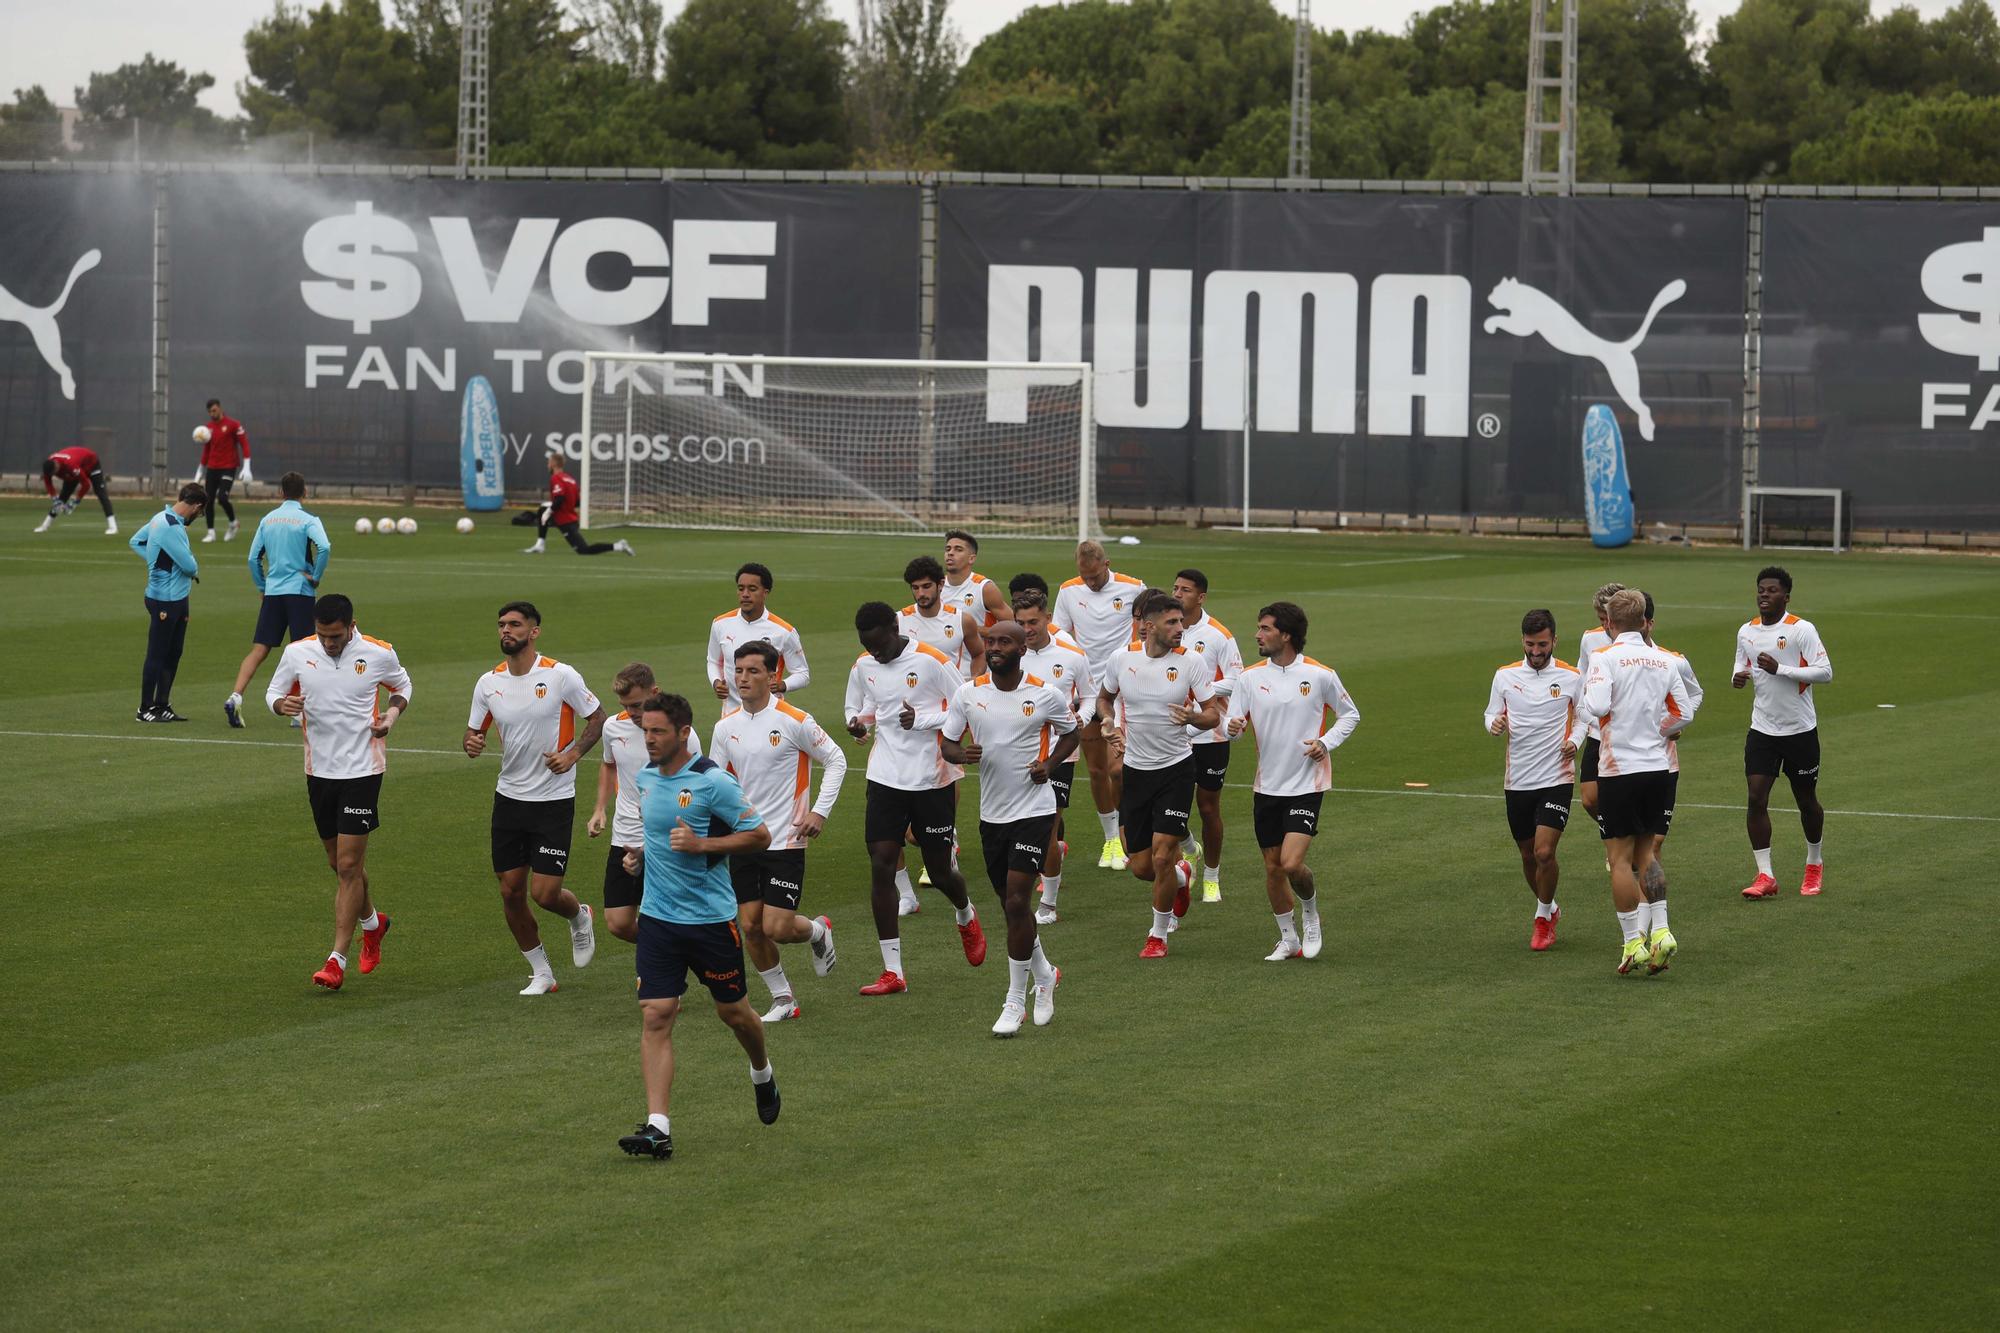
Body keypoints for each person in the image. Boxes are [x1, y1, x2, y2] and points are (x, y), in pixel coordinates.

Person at [617, 692, 780, 1160]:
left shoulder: (713, 782)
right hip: (658, 919)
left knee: (735, 1016)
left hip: (710, 921)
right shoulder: (645, 778)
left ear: (684, 733)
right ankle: (658, 1126)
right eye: (645, 730)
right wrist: (641, 858)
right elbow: (658, 836)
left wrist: (703, 846)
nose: (649, 739)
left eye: (658, 731)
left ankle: (762, 1072)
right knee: (656, 1013)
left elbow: (760, 835)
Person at [264, 593, 410, 990]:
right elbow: (273, 693)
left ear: (351, 626)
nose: (329, 642)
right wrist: (283, 705)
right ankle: (374, 924)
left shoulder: (378, 653)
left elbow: (402, 686)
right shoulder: (297, 653)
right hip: (319, 772)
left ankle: (336, 959)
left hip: (363, 770)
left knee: (347, 867)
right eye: (323, 635)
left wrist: (391, 716)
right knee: (340, 865)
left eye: (336, 635)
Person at [941, 620, 1080, 1035]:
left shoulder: (1045, 694)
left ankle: (1014, 1000)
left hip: (1035, 811)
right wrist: (959, 754)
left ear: (1022, 648)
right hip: (992, 816)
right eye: (990, 642)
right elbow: (947, 743)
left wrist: (1050, 766)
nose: (995, 647)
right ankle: (1045, 973)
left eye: (1004, 642)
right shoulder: (969, 693)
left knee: (1018, 902)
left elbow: (1072, 735)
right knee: (1010, 906)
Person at [842, 601, 988, 995]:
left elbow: (970, 705)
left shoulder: (932, 661)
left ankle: (965, 913)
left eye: (880, 645)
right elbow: (858, 705)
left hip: (931, 777)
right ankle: (893, 972)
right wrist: (857, 723)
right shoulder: (864, 665)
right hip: (885, 775)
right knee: (881, 863)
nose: (876, 653)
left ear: (895, 627)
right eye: (868, 647)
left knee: (940, 872)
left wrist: (921, 720)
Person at [464, 601, 607, 994]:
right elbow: (472, 732)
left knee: (544, 894)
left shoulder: (561, 676)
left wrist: (573, 754)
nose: (506, 631)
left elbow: (597, 718)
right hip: (509, 797)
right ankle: (542, 972)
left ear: (534, 631)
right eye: (501, 625)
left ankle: (579, 915)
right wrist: (472, 742)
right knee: (510, 890)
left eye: (514, 624)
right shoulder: (487, 683)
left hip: (553, 799)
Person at [709, 640, 848, 1022]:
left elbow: (836, 759)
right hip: (745, 838)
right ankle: (783, 999)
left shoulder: (795, 720)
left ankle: (818, 932)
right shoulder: (725, 728)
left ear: (773, 676)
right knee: (750, 926)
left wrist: (819, 812)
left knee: (778, 926)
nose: (743, 678)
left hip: (787, 837)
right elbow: (716, 782)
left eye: (753, 671)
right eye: (738, 671)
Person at [1225, 602, 1360, 961]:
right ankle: (1289, 940)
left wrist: (1325, 743)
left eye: (1265, 629)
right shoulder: (1250, 678)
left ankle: (1311, 912)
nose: (1257, 634)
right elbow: (1232, 725)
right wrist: (1233, 727)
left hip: (1306, 784)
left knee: (1290, 864)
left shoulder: (1320, 675)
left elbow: (1350, 715)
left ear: (1286, 634)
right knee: (1272, 868)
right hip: (1266, 786)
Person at [1097, 588, 1219, 959]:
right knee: (1141, 867)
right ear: (1148, 627)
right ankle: (1182, 878)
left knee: (1163, 856)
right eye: (1172, 622)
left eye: (1181, 620)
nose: (1180, 627)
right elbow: (1104, 697)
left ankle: (1158, 934)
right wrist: (1107, 720)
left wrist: (1195, 717)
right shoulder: (1121, 659)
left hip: (1177, 771)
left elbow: (1214, 713)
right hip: (1136, 771)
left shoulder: (1191, 663)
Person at [1582, 589, 1694, 977]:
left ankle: (1633, 942)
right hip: (1657, 768)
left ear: (1609, 624)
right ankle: (1661, 932)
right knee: (1648, 853)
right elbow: (1685, 712)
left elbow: (1596, 707)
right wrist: (1660, 731)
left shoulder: (1604, 657)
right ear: (1645, 619)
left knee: (1620, 858)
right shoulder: (1664, 660)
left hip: (1618, 769)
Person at [1732, 566, 1833, 899]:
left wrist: (1781, 669)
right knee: (1755, 797)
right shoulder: (1746, 631)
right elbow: (1741, 662)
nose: (1764, 594)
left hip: (1800, 730)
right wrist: (1739, 675)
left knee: (1806, 801)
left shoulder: (1801, 630)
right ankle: (1765, 875)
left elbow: (1824, 672)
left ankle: (1814, 863)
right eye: (1761, 589)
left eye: (1772, 590)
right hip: (1762, 729)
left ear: (1785, 596)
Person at [1483, 609, 1580, 951]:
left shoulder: (1571, 676)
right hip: (1518, 780)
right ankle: (1551, 907)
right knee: (1527, 855)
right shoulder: (1505, 676)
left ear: (1554, 640)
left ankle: (1541, 920)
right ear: (1522, 641)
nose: (1536, 652)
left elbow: (1584, 717)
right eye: (1530, 644)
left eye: (1542, 644)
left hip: (1557, 776)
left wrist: (1575, 741)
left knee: (1543, 852)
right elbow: (1492, 711)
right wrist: (1493, 723)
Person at [587, 662, 702, 946]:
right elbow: (609, 765)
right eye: (626, 705)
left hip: (665, 838)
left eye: (638, 704)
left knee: (663, 913)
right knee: (618, 922)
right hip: (625, 835)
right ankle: (671, 951)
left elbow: (696, 785)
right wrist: (600, 808)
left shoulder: (681, 735)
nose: (633, 713)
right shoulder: (612, 728)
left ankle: (659, 968)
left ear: (655, 692)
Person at [1054, 541, 1146, 870]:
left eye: (1095, 576)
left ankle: (1126, 828)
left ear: (1107, 563)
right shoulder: (1068, 591)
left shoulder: (1134, 588)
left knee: (1117, 770)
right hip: (1087, 691)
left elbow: (1145, 633)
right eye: (1085, 577)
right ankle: (1110, 841)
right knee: (1094, 771)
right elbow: (1061, 638)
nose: (1090, 583)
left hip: (1122, 691)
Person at [225, 471, 331, 729]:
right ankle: (298, 712)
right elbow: (325, 547)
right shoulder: (308, 520)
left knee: (259, 649)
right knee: (305, 651)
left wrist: (262, 585)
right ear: (304, 492)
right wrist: (315, 577)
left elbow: (253, 558)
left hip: (273, 591)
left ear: (280, 493)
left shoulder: (268, 520)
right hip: (300, 591)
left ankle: (235, 695)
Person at [1014, 588, 1092, 925]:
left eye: (1033, 621)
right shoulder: (1009, 656)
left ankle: (1048, 904)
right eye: (1021, 623)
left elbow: (1089, 697)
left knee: (1047, 827)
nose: (1027, 628)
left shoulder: (1072, 656)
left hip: (1059, 753)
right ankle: (1042, 866)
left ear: (1047, 618)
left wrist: (1083, 718)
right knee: (1018, 826)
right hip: (1015, 753)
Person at [1172, 569, 1243, 903]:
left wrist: (1201, 691)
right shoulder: (1165, 630)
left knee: (1208, 806)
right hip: (1173, 735)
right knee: (1172, 808)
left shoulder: (1217, 635)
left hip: (1210, 733)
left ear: (1200, 597)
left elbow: (1237, 677)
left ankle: (1212, 877)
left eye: (1185, 590)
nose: (1177, 594)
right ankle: (1189, 849)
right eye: (1175, 588)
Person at [1638, 592, 1703, 957]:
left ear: (1650, 623)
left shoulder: (1673, 662)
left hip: (1664, 764)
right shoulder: (1613, 660)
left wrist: (1674, 725)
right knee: (1634, 852)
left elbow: (1695, 694)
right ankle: (1643, 934)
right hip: (1623, 767)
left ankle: (1648, 935)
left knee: (1653, 846)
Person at [128, 483, 206, 723]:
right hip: (165, 599)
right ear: (196, 506)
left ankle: (162, 705)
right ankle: (145, 708)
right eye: (200, 513)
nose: (199, 517)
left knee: (174, 653)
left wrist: (158, 561)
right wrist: (161, 562)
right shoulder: (170, 526)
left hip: (178, 597)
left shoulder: (160, 517)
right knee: (157, 654)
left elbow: (137, 542)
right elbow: (190, 566)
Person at [705, 563, 808, 707]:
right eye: (741, 589)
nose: (745, 594)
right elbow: (713, 661)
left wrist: (782, 685)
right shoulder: (720, 624)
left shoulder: (784, 631)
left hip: (771, 715)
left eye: (752, 589)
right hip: (731, 716)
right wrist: (716, 682)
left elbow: (802, 673)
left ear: (765, 592)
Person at [1575, 582, 1624, 849]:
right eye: (1601, 618)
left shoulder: (1637, 640)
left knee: (1622, 797)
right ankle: (1617, 834)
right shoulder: (1590, 639)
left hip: (1625, 733)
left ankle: (1621, 846)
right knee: (1590, 799)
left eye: (1609, 618)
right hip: (1596, 731)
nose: (1605, 624)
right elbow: (1581, 676)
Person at [522, 451, 634, 557]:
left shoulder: (556, 478)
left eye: (548, 463)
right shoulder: (570, 479)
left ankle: (619, 546)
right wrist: (551, 511)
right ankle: (540, 544)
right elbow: (577, 502)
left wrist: (550, 511)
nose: (548, 465)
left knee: (584, 550)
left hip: (566, 521)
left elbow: (559, 498)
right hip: (569, 517)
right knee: (542, 509)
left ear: (552, 464)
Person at [900, 554, 985, 679]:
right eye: (915, 588)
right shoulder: (898, 621)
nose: (921, 593)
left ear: (940, 584)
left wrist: (973, 680)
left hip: (949, 697)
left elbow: (979, 653)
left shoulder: (962, 620)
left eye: (926, 586)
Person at [194, 398, 251, 544]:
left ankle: (233, 523)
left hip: (228, 467)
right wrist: (200, 471)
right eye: (210, 412)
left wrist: (246, 466)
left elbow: (244, 444)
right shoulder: (208, 428)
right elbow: (206, 451)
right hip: (212, 468)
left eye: (214, 410)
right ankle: (211, 533)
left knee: (223, 498)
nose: (212, 413)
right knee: (207, 501)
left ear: (220, 408)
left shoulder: (233, 425)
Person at [36, 445, 115, 534]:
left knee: (101, 494)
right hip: (75, 468)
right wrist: (54, 499)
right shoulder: (49, 467)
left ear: (56, 466)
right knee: (62, 497)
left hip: (91, 464)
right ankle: (44, 526)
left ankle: (112, 526)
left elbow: (86, 484)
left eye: (55, 473)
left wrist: (75, 502)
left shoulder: (70, 465)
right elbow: (48, 484)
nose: (55, 475)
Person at [942, 530, 1010, 626]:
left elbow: (1012, 627)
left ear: (971, 558)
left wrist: (968, 630)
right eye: (948, 549)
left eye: (958, 549)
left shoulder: (985, 588)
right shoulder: (936, 587)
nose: (950, 553)